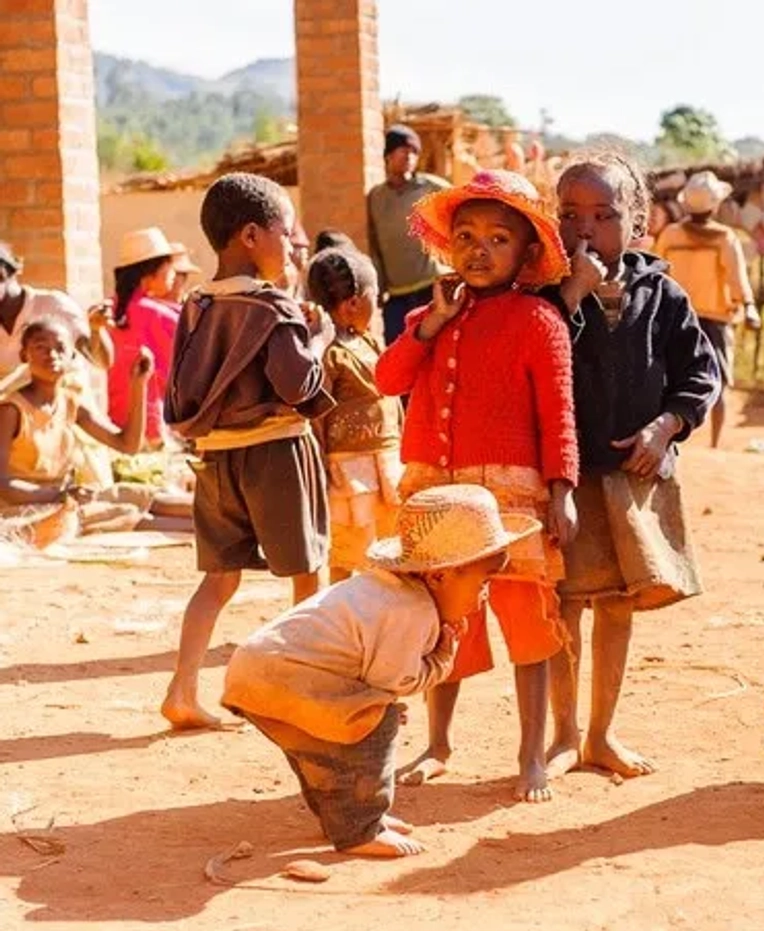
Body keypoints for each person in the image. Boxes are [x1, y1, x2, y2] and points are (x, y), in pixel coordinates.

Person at [374, 168, 578, 803]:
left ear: (526, 251)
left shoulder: (539, 320)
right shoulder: (429, 316)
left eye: (497, 238)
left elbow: (559, 413)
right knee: (440, 621)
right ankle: (437, 744)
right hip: (436, 492)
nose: (478, 250)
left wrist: (563, 490)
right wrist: (431, 324)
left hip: (511, 498)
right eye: (465, 236)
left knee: (527, 622)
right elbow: (388, 380)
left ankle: (530, 755)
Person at [221, 485, 539, 858]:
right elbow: (393, 683)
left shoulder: (388, 590)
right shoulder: (412, 610)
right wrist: (443, 656)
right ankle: (361, 830)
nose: (484, 594)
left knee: (322, 752)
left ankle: (344, 820)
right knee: (378, 723)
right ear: (439, 576)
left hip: (256, 674)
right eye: (482, 582)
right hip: (284, 677)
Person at [544, 153, 720, 779]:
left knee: (617, 604)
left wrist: (666, 426)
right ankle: (563, 735)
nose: (585, 229)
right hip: (565, 476)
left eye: (604, 215)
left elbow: (700, 373)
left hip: (633, 475)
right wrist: (572, 293)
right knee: (564, 605)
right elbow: (536, 357)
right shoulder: (543, 294)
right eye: (570, 215)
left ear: (638, 222)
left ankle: (600, 734)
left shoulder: (663, 294)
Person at [160, 172, 335, 731]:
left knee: (218, 579)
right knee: (307, 574)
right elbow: (296, 386)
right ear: (253, 236)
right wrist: (320, 340)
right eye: (285, 232)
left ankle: (182, 689)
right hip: (276, 454)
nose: (290, 245)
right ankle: (299, 687)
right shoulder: (272, 307)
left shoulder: (195, 304)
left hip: (215, 459)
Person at [0, 318, 155, 535]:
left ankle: (205, 523)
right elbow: (3, 484)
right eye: (41, 347)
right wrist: (58, 495)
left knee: (147, 497)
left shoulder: (70, 403)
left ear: (72, 356)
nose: (52, 355)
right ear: (24, 355)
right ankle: (204, 533)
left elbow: (127, 445)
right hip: (25, 509)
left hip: (65, 499)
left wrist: (139, 385)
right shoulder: (11, 410)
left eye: (60, 348)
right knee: (127, 512)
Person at [307, 246, 403, 583]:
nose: (378, 305)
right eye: (373, 297)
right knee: (347, 552)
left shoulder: (370, 342)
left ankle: (383, 608)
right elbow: (316, 415)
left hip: (386, 464)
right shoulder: (329, 352)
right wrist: (320, 468)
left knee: (391, 545)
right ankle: (343, 609)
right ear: (352, 304)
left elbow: (391, 396)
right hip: (349, 472)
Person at [654, 171, 760, 449]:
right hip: (715, 319)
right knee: (717, 381)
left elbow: (657, 272)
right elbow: (737, 277)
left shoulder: (670, 234)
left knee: (671, 378)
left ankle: (667, 439)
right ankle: (714, 444)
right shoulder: (724, 237)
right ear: (715, 206)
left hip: (676, 317)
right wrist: (748, 306)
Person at [367, 124, 451, 348]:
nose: (409, 156)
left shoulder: (431, 188)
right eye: (403, 150)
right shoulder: (376, 197)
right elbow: (374, 243)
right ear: (388, 155)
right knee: (399, 352)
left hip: (430, 288)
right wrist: (378, 286)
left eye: (414, 151)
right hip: (396, 296)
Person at [0, 241, 113, 403]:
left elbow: (101, 361)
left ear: (5, 274)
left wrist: (96, 330)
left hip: (69, 409)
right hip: (19, 414)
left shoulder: (53, 305)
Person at [106, 228, 181, 446]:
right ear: (151, 270)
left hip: (112, 429)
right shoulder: (163, 316)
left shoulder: (105, 312)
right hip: (154, 430)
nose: (174, 273)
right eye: (169, 266)